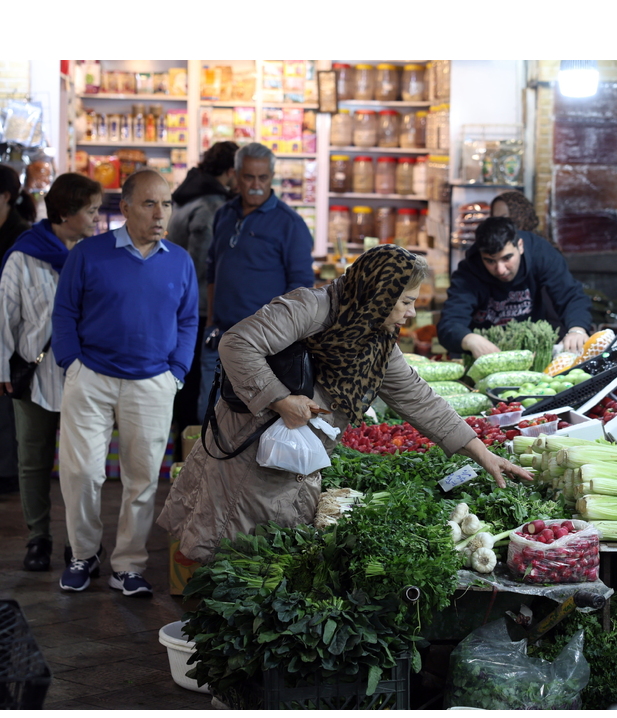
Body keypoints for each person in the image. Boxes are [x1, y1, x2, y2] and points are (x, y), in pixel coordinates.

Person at [157, 245, 533, 564]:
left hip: (294, 461)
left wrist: (481, 453)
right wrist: (280, 399)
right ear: (379, 293)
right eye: (406, 301)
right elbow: (237, 343)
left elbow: (419, 398)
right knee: (231, 555)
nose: (411, 313)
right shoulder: (312, 308)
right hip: (248, 453)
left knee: (269, 559)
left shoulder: (377, 341)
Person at [52, 170, 199, 596]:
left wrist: (176, 372)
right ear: (126, 208)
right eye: (150, 204)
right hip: (91, 377)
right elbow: (65, 312)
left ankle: (128, 566)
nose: (160, 214)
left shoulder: (179, 260)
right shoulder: (89, 253)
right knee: (81, 473)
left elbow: (188, 319)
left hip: (153, 381)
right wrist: (71, 364)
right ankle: (84, 554)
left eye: (166, 204)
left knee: (143, 479)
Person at [1, 173, 103, 571]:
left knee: (83, 465)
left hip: (85, 377)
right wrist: (2, 366)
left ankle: (79, 543)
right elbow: (5, 316)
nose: (96, 218)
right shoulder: (23, 256)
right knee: (33, 460)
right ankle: (38, 538)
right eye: (91, 210)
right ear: (65, 213)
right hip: (35, 376)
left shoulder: (95, 255)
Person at [198, 142, 315, 421]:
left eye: (263, 177)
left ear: (272, 176)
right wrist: (211, 321)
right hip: (219, 337)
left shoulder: (290, 223)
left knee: (250, 423)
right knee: (207, 417)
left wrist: (279, 340)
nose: (256, 185)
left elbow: (301, 290)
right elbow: (213, 270)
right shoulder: (224, 214)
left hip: (261, 347)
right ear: (236, 176)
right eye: (249, 177)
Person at [437, 217, 592, 360]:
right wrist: (468, 339)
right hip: (484, 355)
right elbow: (449, 323)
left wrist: (577, 329)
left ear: (520, 246)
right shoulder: (468, 271)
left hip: (531, 349)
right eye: (490, 261)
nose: (500, 270)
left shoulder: (540, 252)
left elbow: (571, 295)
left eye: (507, 258)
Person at [168, 141, 238, 433]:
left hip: (177, 300)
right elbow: (203, 265)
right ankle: (189, 446)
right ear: (231, 171)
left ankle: (180, 442)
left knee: (184, 376)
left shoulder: (186, 195)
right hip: (198, 308)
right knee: (195, 379)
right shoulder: (211, 205)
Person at [0, 165, 39, 495]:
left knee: (8, 405)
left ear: (4, 196)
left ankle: (7, 473)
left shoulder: (21, 236)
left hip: (14, 332)